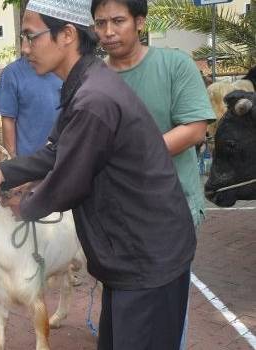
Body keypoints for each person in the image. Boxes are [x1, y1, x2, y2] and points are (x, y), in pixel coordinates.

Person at [0, 0, 196, 348]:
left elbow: (68, 182)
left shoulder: (93, 98)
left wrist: (20, 203)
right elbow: (54, 152)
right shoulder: (85, 84)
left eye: (31, 36)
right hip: (130, 253)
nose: (26, 48)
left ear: (67, 35)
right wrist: (0, 171)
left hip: (147, 256)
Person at [91, 2, 215, 347]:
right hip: (116, 217)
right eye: (101, 23)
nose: (109, 32)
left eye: (118, 21)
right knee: (124, 312)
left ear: (140, 22)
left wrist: (130, 155)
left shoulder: (174, 65)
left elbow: (194, 129)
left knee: (162, 316)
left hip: (171, 213)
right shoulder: (93, 78)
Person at [0, 44, 62, 157]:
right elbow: (8, 120)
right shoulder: (12, 73)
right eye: (24, 36)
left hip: (62, 159)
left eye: (32, 36)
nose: (24, 47)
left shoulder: (65, 69)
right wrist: (13, 160)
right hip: (28, 163)